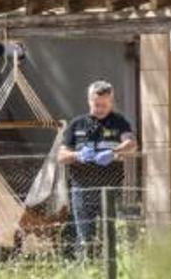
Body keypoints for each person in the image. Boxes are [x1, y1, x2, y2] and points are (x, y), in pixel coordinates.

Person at [58, 80, 136, 257]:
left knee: (110, 236)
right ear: (89, 101)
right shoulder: (77, 124)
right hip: (82, 189)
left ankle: (110, 271)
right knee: (86, 239)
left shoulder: (119, 122)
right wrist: (77, 155)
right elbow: (61, 155)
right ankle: (87, 269)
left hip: (111, 189)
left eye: (104, 105)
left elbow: (131, 144)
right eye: (96, 104)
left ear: (111, 102)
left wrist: (113, 151)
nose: (100, 108)